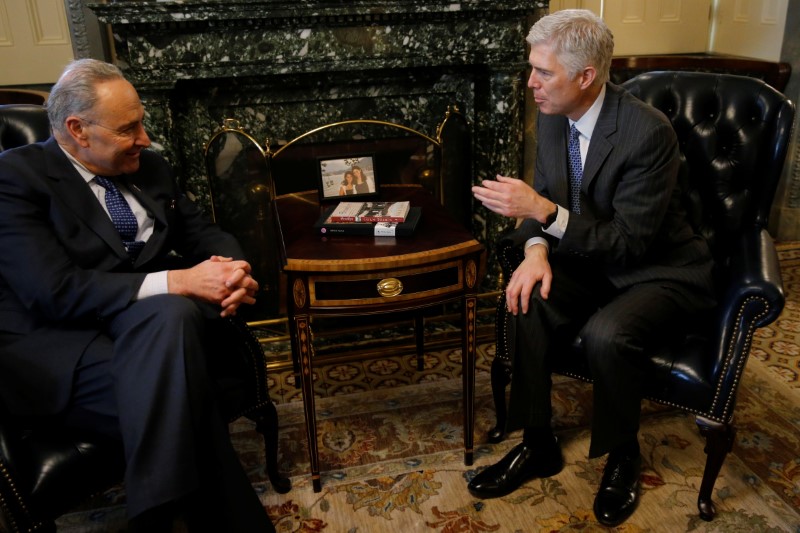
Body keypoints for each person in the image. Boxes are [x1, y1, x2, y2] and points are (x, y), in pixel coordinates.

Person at [0, 59, 275, 532]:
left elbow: (204, 233)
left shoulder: (149, 167)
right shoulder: (16, 178)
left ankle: (157, 520)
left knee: (168, 319)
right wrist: (181, 281)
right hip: (62, 343)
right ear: (78, 130)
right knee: (181, 371)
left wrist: (234, 270)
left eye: (142, 122)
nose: (146, 138)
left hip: (150, 329)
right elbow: (54, 292)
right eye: (130, 128)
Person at [469, 10, 715, 527]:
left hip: (660, 271)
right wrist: (535, 252)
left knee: (608, 335)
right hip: (591, 260)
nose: (531, 83)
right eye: (530, 68)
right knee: (527, 297)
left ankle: (623, 453)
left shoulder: (648, 132)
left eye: (543, 72)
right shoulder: (555, 114)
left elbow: (627, 242)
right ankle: (538, 444)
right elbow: (546, 205)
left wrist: (540, 212)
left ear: (586, 77)